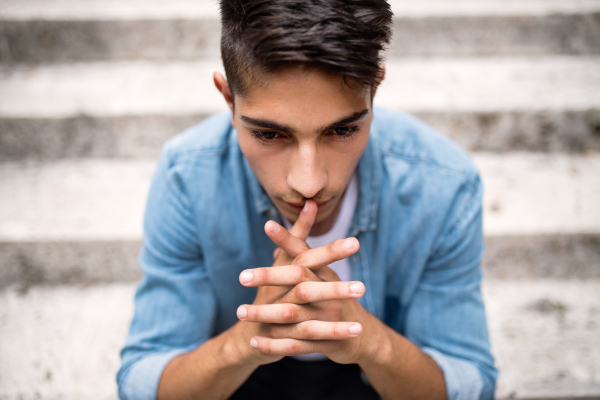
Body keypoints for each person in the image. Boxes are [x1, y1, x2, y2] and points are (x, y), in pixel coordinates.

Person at [117, 0, 497, 399]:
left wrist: (368, 340)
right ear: (229, 100)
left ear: (375, 90)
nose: (309, 182)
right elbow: (142, 381)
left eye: (343, 130)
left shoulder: (443, 182)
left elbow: (470, 382)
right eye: (269, 134)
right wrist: (249, 337)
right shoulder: (189, 176)